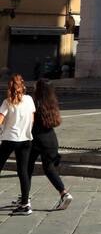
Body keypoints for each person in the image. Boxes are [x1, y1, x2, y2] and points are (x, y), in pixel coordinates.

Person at [29, 79, 72, 210]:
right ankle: (64, 193)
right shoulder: (52, 102)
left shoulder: (35, 103)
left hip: (36, 139)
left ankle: (26, 197)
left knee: (28, 167)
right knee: (47, 167)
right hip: (51, 139)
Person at [0, 74, 37, 215]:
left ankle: (24, 203)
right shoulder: (29, 100)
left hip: (10, 139)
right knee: (23, 172)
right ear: (23, 86)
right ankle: (25, 204)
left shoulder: (7, 102)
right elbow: (32, 119)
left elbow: (0, 120)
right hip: (26, 139)